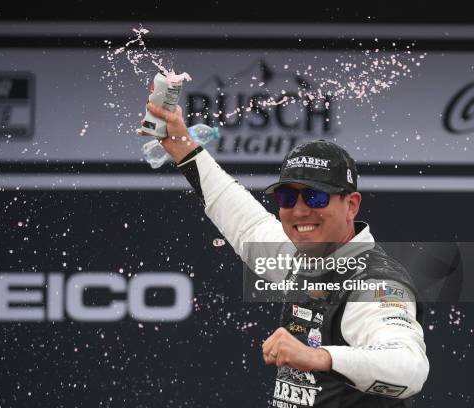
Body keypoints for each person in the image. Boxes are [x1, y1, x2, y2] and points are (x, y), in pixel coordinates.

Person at [141, 102, 429, 407]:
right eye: (287, 196)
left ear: (352, 205)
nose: (300, 210)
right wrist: (183, 148)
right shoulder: (305, 255)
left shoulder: (376, 283)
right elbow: (247, 221)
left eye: (316, 197)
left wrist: (318, 357)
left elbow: (410, 368)